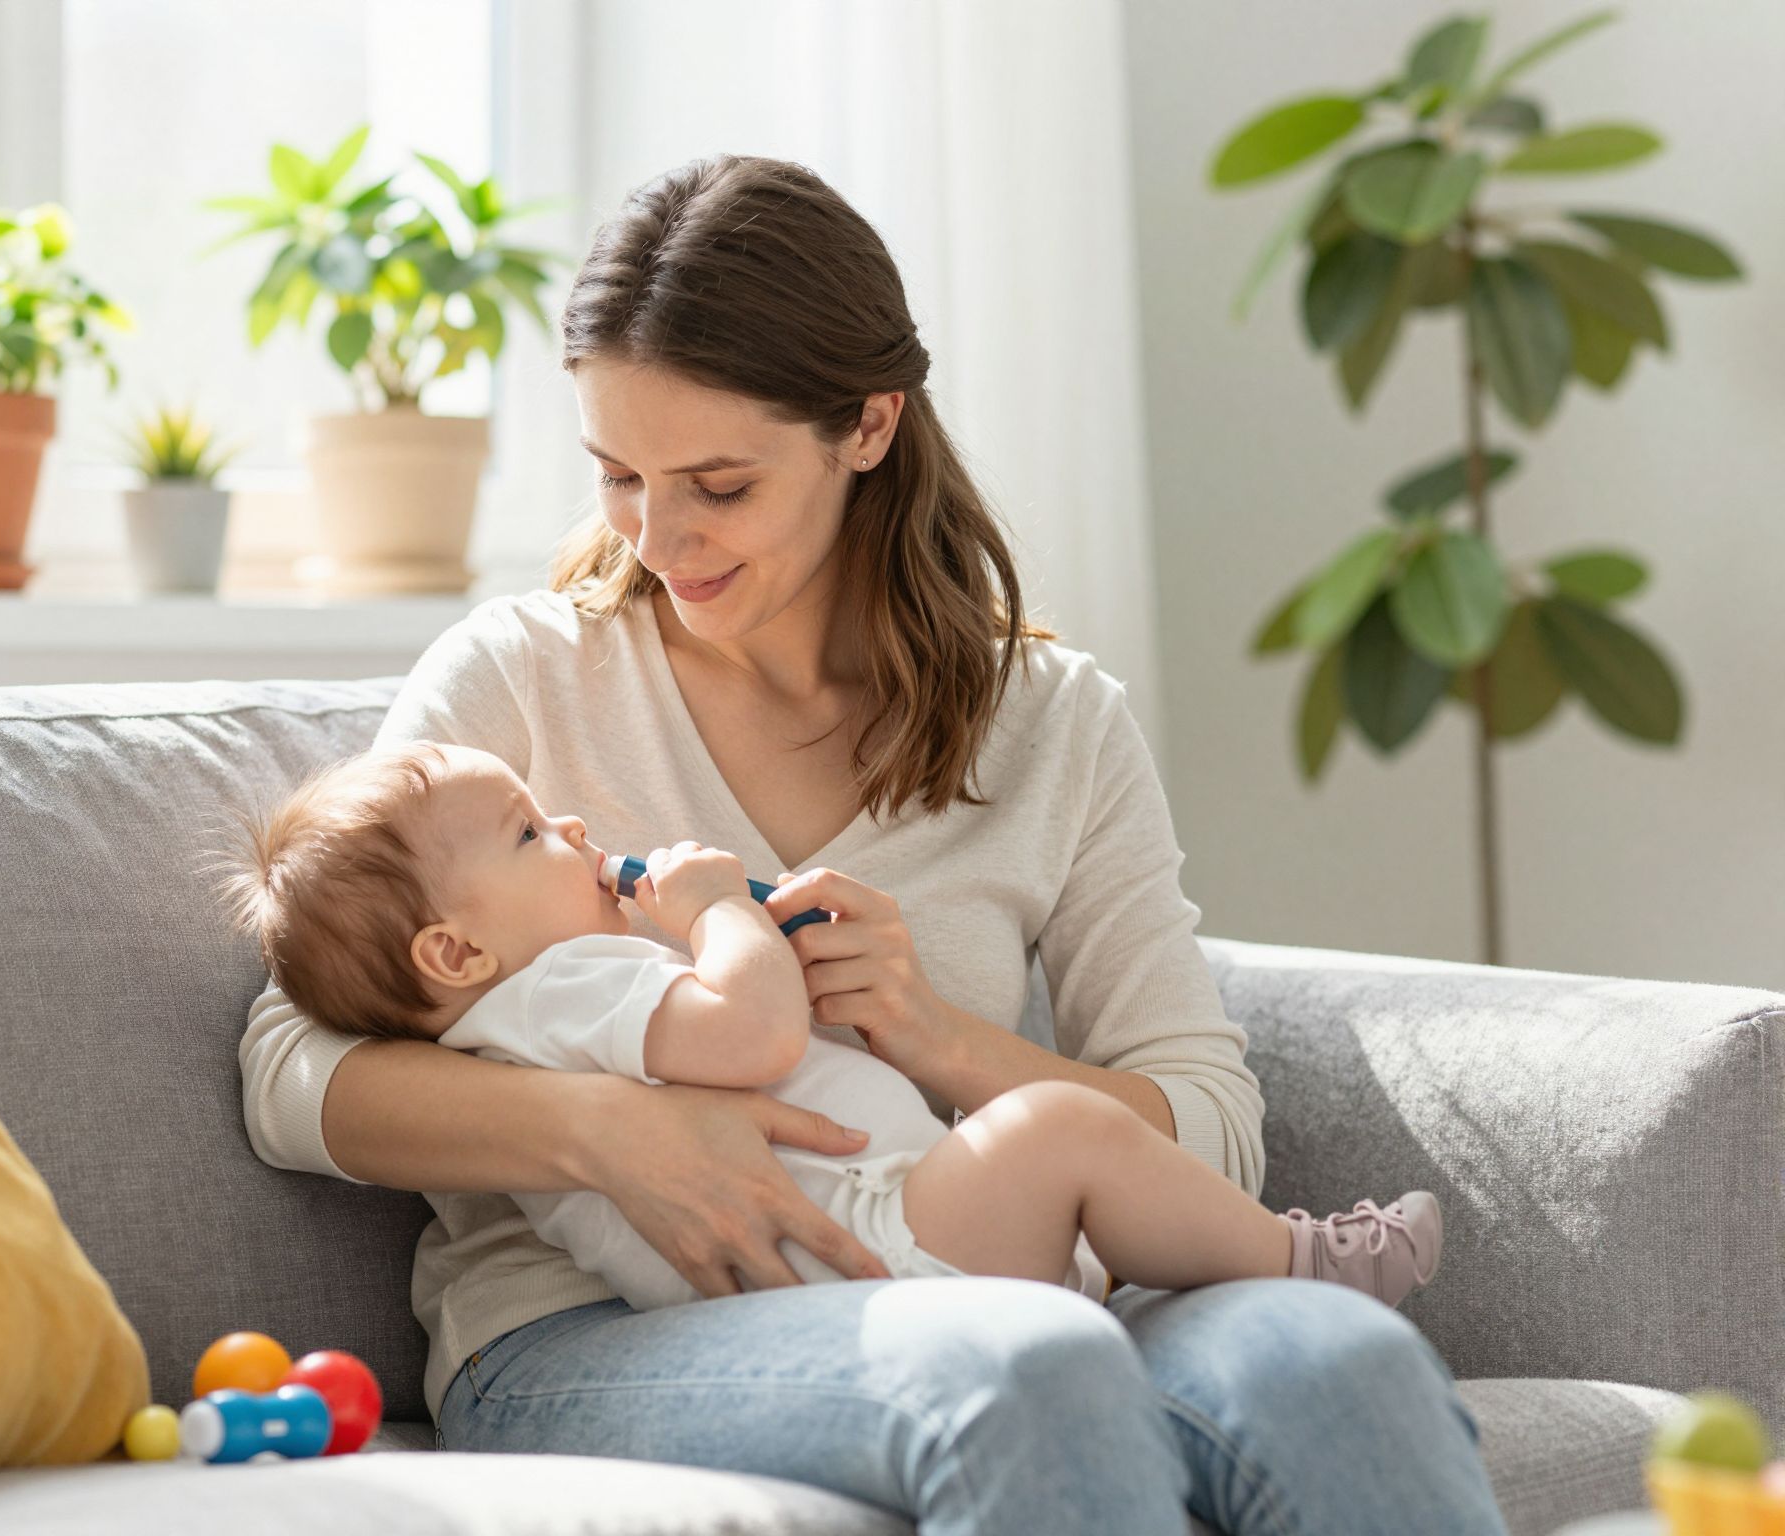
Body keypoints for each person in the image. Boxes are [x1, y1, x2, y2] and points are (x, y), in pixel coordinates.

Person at [239, 152, 1508, 1535]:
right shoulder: (517, 687)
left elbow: (1209, 1123)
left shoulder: (1052, 726)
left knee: (1347, 1365)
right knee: (1023, 1371)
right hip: (588, 1333)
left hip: (989, 1266)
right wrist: (611, 1131)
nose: (660, 538)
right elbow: (292, 1068)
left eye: (718, 485)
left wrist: (952, 1045)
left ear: (868, 425)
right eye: (618, 476)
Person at [223, 739, 1445, 1314]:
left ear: (865, 431)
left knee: (1077, 1164)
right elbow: (747, 1038)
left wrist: (931, 1031)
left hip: (866, 1249)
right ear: (453, 951)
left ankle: (1235, 1279)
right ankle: (1299, 1263)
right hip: (869, 1248)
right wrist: (714, 914)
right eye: (535, 835)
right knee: (1059, 1129)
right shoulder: (558, 991)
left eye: (718, 481)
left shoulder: (540, 999)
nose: (580, 834)